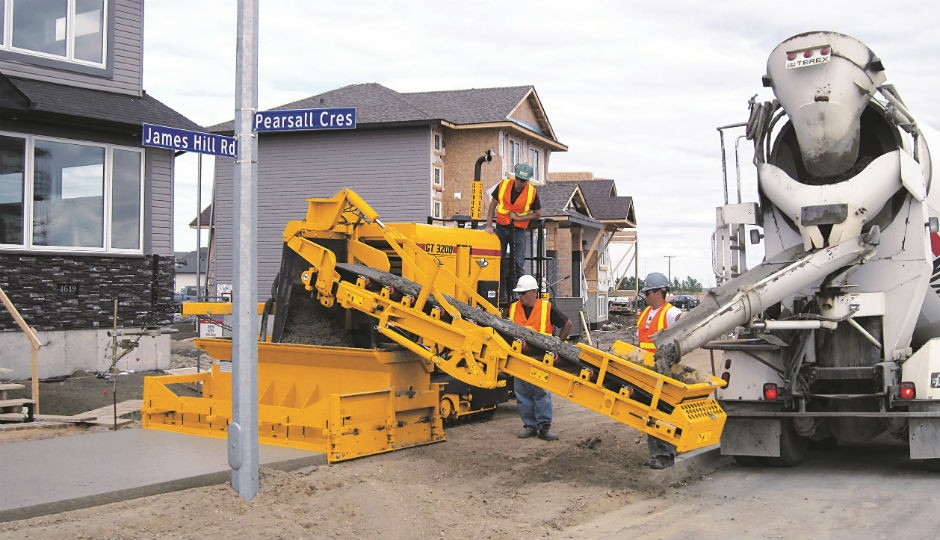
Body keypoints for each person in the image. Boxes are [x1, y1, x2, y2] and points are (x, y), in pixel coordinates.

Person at [508, 274, 572, 441]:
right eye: (519, 294)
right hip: (520, 358)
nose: (520, 297)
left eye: (523, 293)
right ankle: (530, 426)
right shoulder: (513, 308)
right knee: (522, 392)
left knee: (541, 391)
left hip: (541, 358)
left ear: (533, 292)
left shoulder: (546, 307)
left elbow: (567, 324)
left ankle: (544, 427)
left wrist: (558, 345)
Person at [637, 271, 684, 469]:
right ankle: (657, 454)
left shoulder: (670, 312)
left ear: (658, 292)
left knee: (663, 412)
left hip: (663, 371)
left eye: (648, 293)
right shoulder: (646, 313)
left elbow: (683, 319)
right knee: (650, 413)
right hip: (647, 370)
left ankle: (666, 454)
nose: (646, 297)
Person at [484, 163, 541, 303]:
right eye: (519, 179)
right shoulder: (503, 185)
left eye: (523, 180)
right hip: (501, 228)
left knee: (518, 263)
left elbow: (538, 214)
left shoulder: (531, 192)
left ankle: (518, 296)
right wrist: (489, 225)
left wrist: (519, 218)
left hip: (519, 230)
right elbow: (493, 205)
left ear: (527, 181)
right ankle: (500, 294)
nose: (520, 183)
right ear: (515, 177)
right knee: (499, 261)